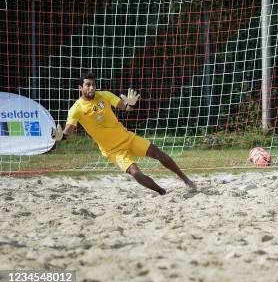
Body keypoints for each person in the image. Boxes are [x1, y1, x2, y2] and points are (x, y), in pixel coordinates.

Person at [51, 72, 196, 195]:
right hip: (113, 151)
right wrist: (61, 137)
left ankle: (185, 179)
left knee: (158, 153)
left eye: (93, 84)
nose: (91, 87)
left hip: (127, 138)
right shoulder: (76, 109)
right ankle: (162, 192)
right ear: (80, 88)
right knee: (135, 173)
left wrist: (130, 104)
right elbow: (67, 132)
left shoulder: (104, 95)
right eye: (88, 84)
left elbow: (126, 107)